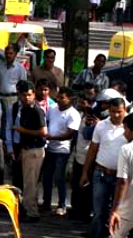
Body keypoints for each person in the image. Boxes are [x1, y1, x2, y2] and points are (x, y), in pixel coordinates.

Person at [81, 97, 128, 238]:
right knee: (99, 212)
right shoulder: (101, 126)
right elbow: (93, 150)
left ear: (125, 110)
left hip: (121, 178)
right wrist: (85, 172)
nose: (116, 115)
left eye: (119, 112)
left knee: (116, 213)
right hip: (100, 174)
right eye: (113, 112)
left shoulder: (130, 127)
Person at [42, 88, 81, 216]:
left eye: (62, 98)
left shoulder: (73, 114)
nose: (58, 100)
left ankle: (61, 205)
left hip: (62, 150)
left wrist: (52, 137)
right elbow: (46, 122)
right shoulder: (53, 109)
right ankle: (46, 204)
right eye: (58, 97)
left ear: (70, 98)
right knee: (47, 177)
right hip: (49, 148)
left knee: (59, 178)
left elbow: (69, 134)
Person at [14, 80, 48, 222]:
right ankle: (30, 209)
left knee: (30, 183)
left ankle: (32, 213)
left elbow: (43, 131)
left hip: (35, 150)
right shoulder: (24, 109)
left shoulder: (37, 110)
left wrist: (24, 130)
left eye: (29, 95)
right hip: (27, 149)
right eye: (24, 95)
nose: (26, 98)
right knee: (28, 182)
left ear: (34, 94)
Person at [70, 95, 96, 222]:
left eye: (83, 101)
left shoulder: (94, 119)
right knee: (76, 185)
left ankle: (84, 213)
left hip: (88, 158)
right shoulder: (81, 115)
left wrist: (90, 125)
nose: (81, 103)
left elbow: (87, 135)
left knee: (86, 187)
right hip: (78, 155)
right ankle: (76, 210)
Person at [0, 44, 28, 114]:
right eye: (6, 53)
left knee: (10, 121)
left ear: (15, 54)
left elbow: (23, 86)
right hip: (0, 97)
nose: (8, 55)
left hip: (13, 99)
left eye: (10, 53)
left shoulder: (20, 68)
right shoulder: (0, 67)